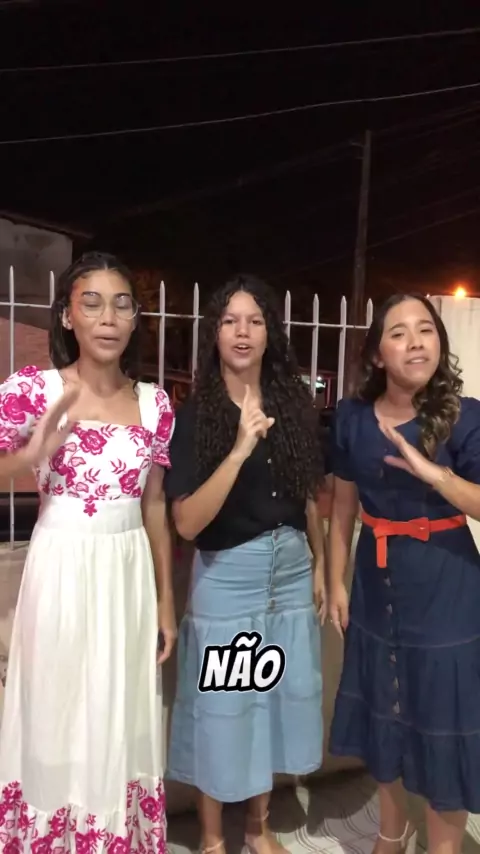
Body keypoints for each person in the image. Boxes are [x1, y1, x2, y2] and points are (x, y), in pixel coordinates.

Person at [0, 251, 176, 853]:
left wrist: (166, 604)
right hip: (60, 570)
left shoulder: (155, 403)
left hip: (127, 577)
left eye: (122, 305)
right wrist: (26, 459)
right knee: (56, 708)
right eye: (92, 303)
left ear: (135, 319)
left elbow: (155, 507)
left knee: (117, 711)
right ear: (67, 316)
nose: (107, 318)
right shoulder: (34, 390)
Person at [164, 275, 325, 854]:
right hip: (228, 578)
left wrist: (323, 569)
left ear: (269, 333)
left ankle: (258, 828)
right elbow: (186, 523)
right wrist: (237, 451)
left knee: (270, 703)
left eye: (255, 320)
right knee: (223, 709)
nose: (242, 331)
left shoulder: (293, 408)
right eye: (230, 320)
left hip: (291, 573)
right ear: (214, 333)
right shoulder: (196, 417)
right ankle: (212, 837)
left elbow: (309, 500)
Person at [328, 293, 480, 854]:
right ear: (376, 354)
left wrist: (436, 475)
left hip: (448, 588)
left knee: (444, 719)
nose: (416, 342)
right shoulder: (351, 417)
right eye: (399, 332)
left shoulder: (465, 416)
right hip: (376, 585)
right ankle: (392, 831)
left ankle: (443, 846)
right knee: (384, 712)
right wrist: (335, 580)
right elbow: (342, 506)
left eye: (426, 329)